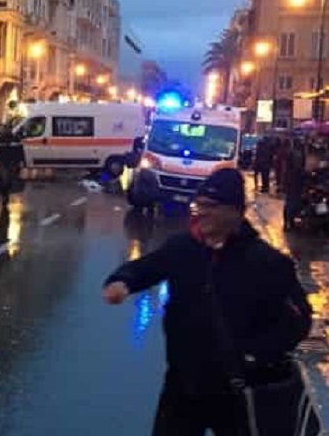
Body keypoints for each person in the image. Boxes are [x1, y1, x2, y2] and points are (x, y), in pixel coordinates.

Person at [103, 169, 312, 436]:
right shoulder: (183, 247)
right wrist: (122, 281)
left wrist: (255, 354)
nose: (199, 212)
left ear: (235, 210)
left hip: (238, 388)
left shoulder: (268, 263)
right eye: (197, 204)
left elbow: (297, 321)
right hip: (184, 383)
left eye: (209, 206)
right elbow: (148, 267)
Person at [283, 139, 306, 231]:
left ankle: (289, 222)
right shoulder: (297, 154)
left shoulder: (292, 153)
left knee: (291, 202)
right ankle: (289, 222)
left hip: (293, 181)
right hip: (295, 181)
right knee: (292, 202)